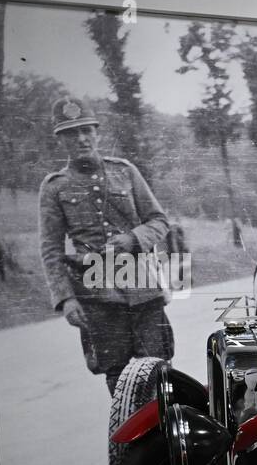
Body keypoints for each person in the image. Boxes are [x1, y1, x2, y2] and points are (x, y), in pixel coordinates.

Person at [38, 97, 172, 395]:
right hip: (97, 296)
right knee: (118, 378)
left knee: (160, 373)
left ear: (97, 132)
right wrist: (66, 299)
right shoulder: (55, 187)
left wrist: (132, 239)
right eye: (72, 133)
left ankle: (167, 439)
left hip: (143, 289)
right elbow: (50, 250)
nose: (82, 138)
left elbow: (159, 221)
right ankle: (128, 441)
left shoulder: (125, 171)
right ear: (61, 139)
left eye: (87, 130)